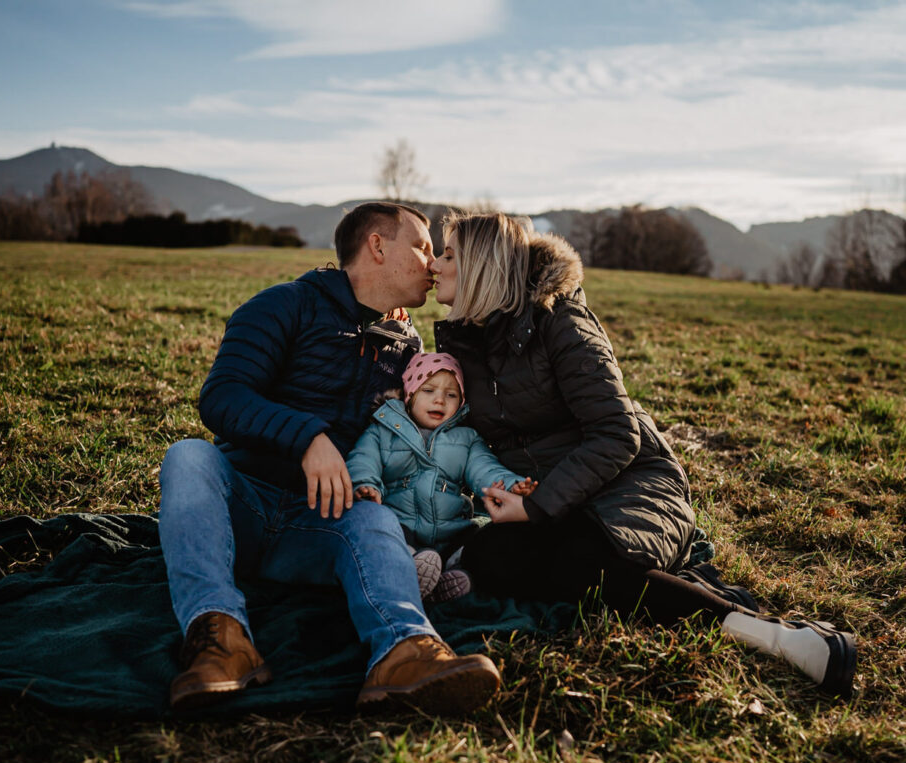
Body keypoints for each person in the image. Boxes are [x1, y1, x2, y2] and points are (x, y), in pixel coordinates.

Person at [429, 210, 857, 698]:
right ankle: (655, 586)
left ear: (482, 266)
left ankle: (775, 636)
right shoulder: (466, 342)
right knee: (490, 560)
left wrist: (536, 506)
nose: (436, 265)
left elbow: (616, 435)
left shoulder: (560, 321)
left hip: (629, 477)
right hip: (555, 495)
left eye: (448, 255)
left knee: (581, 566)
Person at [158, 202, 501, 715]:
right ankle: (222, 643)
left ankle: (405, 652)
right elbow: (223, 397)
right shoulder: (283, 305)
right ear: (378, 246)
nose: (433, 263)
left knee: (375, 518)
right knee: (187, 457)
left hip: (324, 524)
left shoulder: (408, 347)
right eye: (423, 246)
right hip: (241, 508)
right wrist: (308, 437)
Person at [345, 351, 536, 602]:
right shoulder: (384, 429)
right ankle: (410, 567)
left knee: (477, 539)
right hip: (401, 522)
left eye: (451, 395)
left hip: (450, 530)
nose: (439, 401)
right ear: (410, 394)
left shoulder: (466, 438)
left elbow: (486, 469)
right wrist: (366, 485)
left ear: (462, 401)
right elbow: (362, 460)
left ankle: (451, 573)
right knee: (389, 535)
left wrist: (510, 486)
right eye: (428, 391)